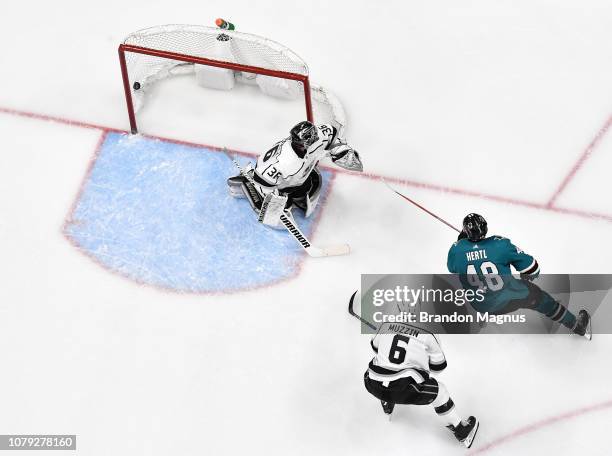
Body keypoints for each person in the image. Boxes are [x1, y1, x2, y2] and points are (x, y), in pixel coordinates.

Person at [447, 213, 592, 339]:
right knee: (540, 298)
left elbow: (452, 267)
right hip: (507, 300)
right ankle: (576, 325)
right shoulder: (500, 244)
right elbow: (533, 268)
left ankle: (488, 312)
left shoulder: (456, 250)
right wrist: (526, 274)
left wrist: (463, 242)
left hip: (479, 304)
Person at [364, 322, 479, 448]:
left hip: (372, 383)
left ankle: (387, 402)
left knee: (385, 366)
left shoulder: (386, 323)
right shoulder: (430, 333)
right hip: (404, 390)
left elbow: (375, 348)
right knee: (440, 392)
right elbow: (438, 368)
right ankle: (461, 430)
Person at [227, 121, 362, 227]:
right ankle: (245, 184)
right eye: (297, 143)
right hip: (271, 181)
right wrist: (276, 200)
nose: (298, 146)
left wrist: (341, 151)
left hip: (298, 177)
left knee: (308, 187)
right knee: (278, 220)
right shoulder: (285, 161)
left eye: (301, 144)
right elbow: (262, 180)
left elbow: (333, 136)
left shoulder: (322, 134)